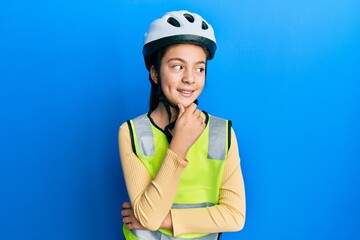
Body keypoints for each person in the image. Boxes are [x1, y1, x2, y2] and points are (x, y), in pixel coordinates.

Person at [118, 10, 246, 240]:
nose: (190, 78)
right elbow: (148, 218)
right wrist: (180, 144)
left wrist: (165, 221)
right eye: (178, 66)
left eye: (199, 68)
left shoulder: (221, 132)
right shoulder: (131, 132)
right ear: (155, 73)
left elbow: (235, 216)